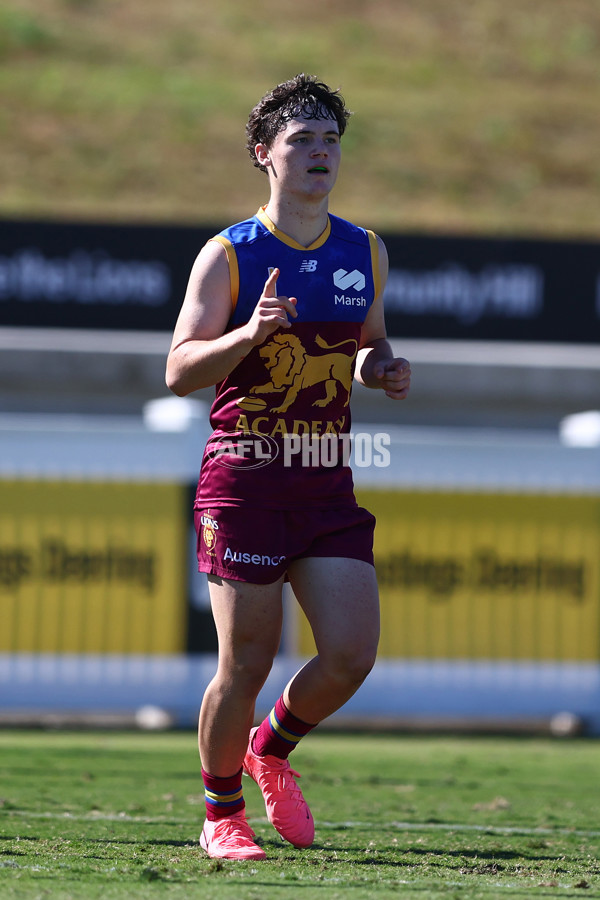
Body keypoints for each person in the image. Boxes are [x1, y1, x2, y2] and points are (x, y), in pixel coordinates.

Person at [165, 73, 411, 861]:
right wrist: (248, 335)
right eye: (302, 140)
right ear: (264, 155)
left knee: (351, 653)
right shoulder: (229, 254)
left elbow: (366, 344)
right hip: (244, 477)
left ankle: (269, 750)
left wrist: (384, 368)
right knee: (245, 659)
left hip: (324, 474)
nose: (319, 153)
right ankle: (220, 814)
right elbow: (179, 370)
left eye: (330, 141)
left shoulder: (362, 249)